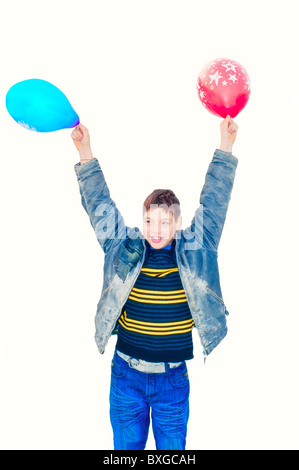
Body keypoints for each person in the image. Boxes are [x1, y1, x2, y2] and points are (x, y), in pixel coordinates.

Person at [71, 116, 238, 450]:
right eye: (149, 220)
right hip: (126, 376)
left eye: (164, 221)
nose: (156, 228)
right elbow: (100, 206)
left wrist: (226, 146)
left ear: (178, 221)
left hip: (172, 382)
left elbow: (215, 200)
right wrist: (85, 152)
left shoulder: (196, 249)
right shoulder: (124, 247)